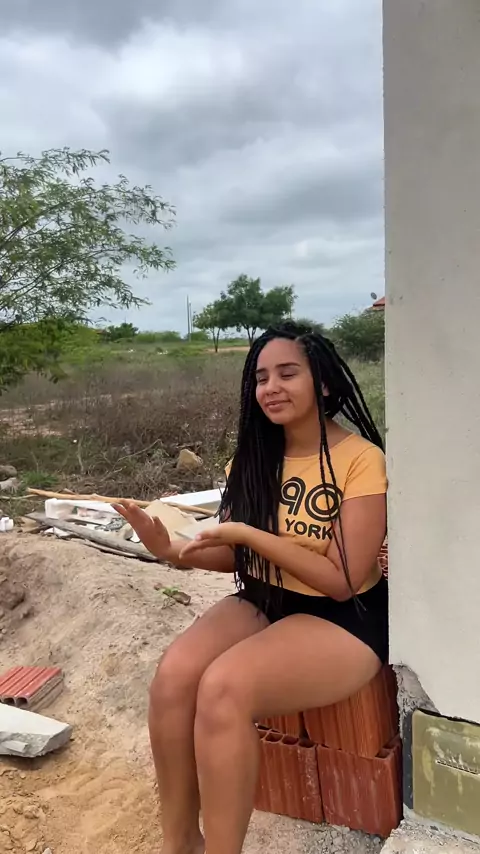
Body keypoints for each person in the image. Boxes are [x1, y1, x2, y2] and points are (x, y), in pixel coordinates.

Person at [114, 321, 388, 854]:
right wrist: (170, 549)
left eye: (288, 373)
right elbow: (234, 555)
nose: (271, 388)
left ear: (323, 383)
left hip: (343, 616)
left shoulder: (360, 460)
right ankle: (179, 844)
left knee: (224, 689)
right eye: (261, 378)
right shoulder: (254, 457)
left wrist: (249, 534)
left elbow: (344, 579)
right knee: (174, 679)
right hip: (266, 598)